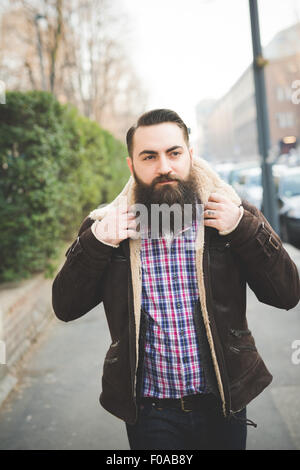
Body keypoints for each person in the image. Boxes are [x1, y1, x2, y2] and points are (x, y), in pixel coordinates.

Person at [52, 109, 300, 450]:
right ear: (131, 165)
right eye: (149, 156)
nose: (164, 166)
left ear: (190, 156)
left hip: (223, 404)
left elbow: (287, 294)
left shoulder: (228, 215)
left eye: (173, 153)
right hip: (151, 413)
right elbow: (65, 307)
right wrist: (97, 243)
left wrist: (244, 228)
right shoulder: (109, 227)